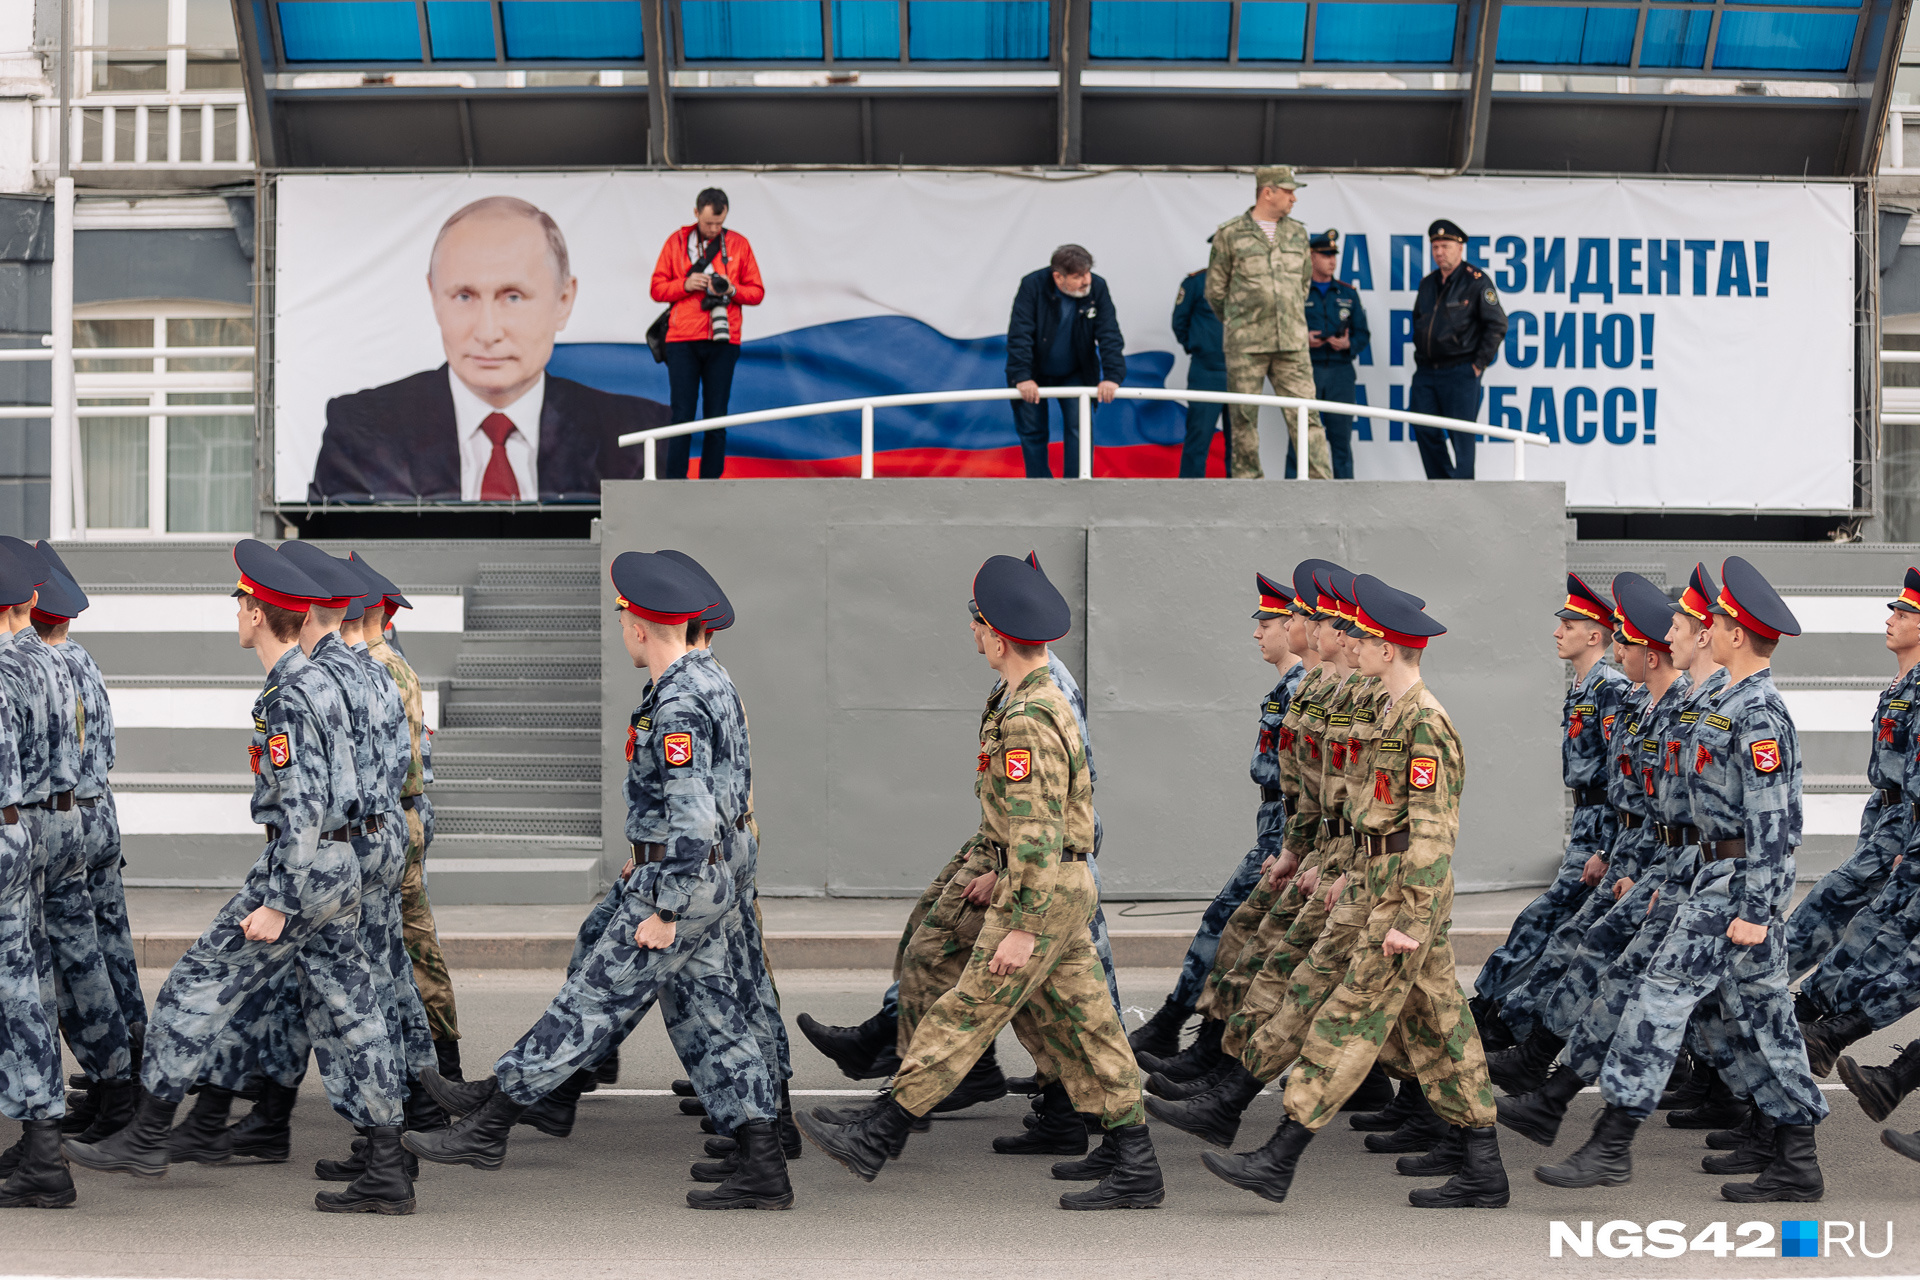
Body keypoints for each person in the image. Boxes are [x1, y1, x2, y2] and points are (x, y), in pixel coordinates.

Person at [406, 551, 791, 1211]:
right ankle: (763, 1160)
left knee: (590, 1002)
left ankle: (492, 1121)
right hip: (711, 873)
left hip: (685, 880)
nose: (621, 632)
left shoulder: (678, 701)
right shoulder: (708, 680)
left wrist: (667, 906)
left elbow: (694, 815)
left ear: (640, 626)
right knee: (713, 1015)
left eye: (623, 620)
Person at [64, 541, 413, 1216]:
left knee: (193, 986)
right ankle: (388, 1163)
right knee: (353, 1010)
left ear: (257, 614)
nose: (238, 614)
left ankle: (146, 1134)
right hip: (341, 867)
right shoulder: (324, 678)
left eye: (241, 604)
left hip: (301, 872)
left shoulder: (288, 694)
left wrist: (280, 900)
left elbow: (305, 802)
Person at [1153, 574, 1509, 1210]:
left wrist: (1412, 914)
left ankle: (1279, 1154)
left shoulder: (1425, 723)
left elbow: (1432, 834)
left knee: (1351, 1014)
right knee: (1440, 1024)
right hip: (1374, 881)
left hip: (1402, 891)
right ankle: (1481, 1160)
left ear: (1390, 649)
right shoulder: (1393, 712)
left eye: (1367, 638)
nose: (1353, 644)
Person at [1538, 557, 1829, 1205]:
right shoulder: (1725, 700)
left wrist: (1759, 907)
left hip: (1737, 883)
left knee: (1661, 997)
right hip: (1711, 875)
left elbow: (1774, 822)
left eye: (1719, 620)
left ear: (1737, 634)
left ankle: (1611, 1142)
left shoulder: (1758, 712)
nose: (1708, 628)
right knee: (1757, 1017)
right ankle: (1795, 1155)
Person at [310, 195, 666, 502]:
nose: (487, 331)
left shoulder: (639, 438)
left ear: (563, 300)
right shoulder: (360, 431)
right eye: (464, 296)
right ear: (434, 297)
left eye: (512, 297)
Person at [1127, 572, 1306, 1058]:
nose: (1257, 633)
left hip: (1290, 831)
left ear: (1291, 624)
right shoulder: (1288, 687)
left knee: (1229, 925)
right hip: (1278, 825)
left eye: (1265, 621)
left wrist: (1293, 846)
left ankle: (1184, 1031)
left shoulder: (1304, 688)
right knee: (1282, 944)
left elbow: (1302, 775)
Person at [1471, 573, 1630, 1045]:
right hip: (1587, 820)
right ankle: (1509, 1016)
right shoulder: (1582, 688)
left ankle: (1494, 1011)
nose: (1557, 632)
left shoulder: (1610, 690)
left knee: (1548, 920)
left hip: (1605, 822)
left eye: (1568, 624)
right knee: (1564, 930)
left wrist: (1607, 845)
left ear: (1595, 635)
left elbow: (1620, 776)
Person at [351, 553, 462, 1082]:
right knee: (412, 943)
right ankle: (439, 1065)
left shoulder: (376, 668)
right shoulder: (394, 662)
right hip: (411, 811)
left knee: (409, 948)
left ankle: (435, 1069)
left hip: (393, 816)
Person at [0, 547, 70, 1210]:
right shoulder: (46, 659)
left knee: (16, 989)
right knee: (24, 981)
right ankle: (40, 1136)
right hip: (30, 826)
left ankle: (44, 1147)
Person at [1207, 166, 1329, 480]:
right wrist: (1241, 322)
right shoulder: (1230, 233)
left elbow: (1303, 285)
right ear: (1268, 192)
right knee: (1243, 419)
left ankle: (1321, 484)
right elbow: (1216, 290)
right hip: (1246, 345)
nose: (1294, 198)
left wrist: (1285, 314)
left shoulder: (1297, 233)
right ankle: (1248, 484)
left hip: (1291, 342)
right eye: (1288, 191)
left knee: (1307, 416)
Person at [650, 187, 765, 481]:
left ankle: (710, 483)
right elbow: (656, 288)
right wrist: (685, 285)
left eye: (718, 223)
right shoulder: (676, 243)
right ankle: (674, 482)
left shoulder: (738, 244)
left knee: (717, 416)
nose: (713, 229)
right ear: (696, 213)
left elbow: (757, 292)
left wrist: (732, 288)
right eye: (707, 223)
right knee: (682, 415)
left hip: (723, 340)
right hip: (682, 340)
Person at [1004, 245, 1126, 479]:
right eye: (1078, 276)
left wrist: (1112, 377)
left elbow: (1109, 332)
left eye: (1088, 272)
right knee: (1032, 431)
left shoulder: (1097, 287)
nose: (1086, 280)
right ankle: (1039, 489)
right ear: (1058, 277)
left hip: (1076, 370)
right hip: (1033, 373)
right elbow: (1020, 333)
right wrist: (1022, 376)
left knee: (1080, 427)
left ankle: (1076, 489)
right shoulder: (1032, 285)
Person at [1409, 219, 1507, 481]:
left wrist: (1478, 364)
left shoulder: (1476, 281)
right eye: (1435, 246)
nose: (1439, 252)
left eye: (1445, 245)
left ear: (1460, 247)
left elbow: (1497, 323)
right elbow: (1418, 319)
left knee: (1462, 438)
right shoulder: (1428, 284)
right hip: (1427, 372)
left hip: (1461, 371)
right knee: (1423, 428)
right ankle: (1442, 487)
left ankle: (1463, 494)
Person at [1301, 229, 1368, 480]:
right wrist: (1304, 340)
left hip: (1341, 373)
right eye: (1325, 254)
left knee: (1341, 442)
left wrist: (1348, 344)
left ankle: (1346, 504)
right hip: (1308, 372)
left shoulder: (1347, 293)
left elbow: (1363, 334)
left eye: (1334, 254)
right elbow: (1283, 330)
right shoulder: (1299, 291)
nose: (1331, 260)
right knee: (1301, 441)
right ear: (1311, 257)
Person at [1172, 248, 1227, 477]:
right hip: (1207, 371)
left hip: (1242, 372)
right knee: (1199, 436)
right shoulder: (1197, 282)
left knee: (1242, 443)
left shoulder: (1249, 283)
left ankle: (1240, 499)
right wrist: (1201, 347)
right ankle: (1189, 497)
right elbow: (1179, 323)